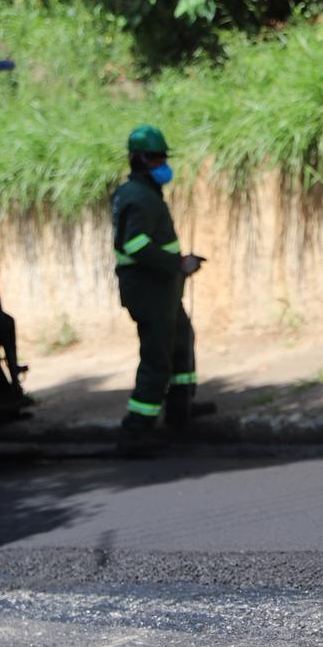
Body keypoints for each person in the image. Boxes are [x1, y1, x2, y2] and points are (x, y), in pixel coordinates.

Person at [111, 125, 208, 446]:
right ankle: (135, 431)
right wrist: (178, 264)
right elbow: (134, 245)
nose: (162, 164)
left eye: (163, 157)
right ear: (138, 159)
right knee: (157, 357)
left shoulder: (142, 193)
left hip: (161, 288)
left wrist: (177, 267)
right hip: (149, 290)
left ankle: (181, 410)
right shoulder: (139, 197)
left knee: (181, 339)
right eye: (155, 158)